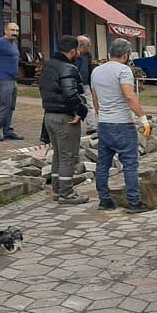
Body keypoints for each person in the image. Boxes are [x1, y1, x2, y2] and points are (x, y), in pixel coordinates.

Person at [90, 38, 153, 214]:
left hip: (104, 123)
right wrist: (143, 119)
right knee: (130, 164)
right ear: (126, 55)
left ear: (110, 53)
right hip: (122, 125)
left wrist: (100, 116)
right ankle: (134, 202)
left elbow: (95, 99)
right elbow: (130, 96)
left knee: (103, 164)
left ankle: (104, 200)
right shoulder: (124, 70)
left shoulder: (96, 71)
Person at [38, 35, 89, 205]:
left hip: (49, 116)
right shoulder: (68, 68)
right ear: (73, 50)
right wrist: (81, 110)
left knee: (58, 155)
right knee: (68, 156)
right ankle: (67, 194)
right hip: (65, 117)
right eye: (77, 51)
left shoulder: (48, 65)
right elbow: (70, 94)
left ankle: (57, 190)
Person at [0, 22, 23, 142]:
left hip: (12, 80)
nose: (15, 33)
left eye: (17, 31)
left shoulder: (12, 44)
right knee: (5, 106)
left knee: (11, 107)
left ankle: (8, 131)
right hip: (3, 80)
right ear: (5, 30)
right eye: (12, 30)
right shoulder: (0, 42)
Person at [75, 36, 98, 135]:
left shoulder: (88, 55)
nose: (89, 48)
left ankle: (91, 127)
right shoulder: (74, 54)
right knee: (74, 104)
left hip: (85, 83)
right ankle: (73, 126)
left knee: (89, 104)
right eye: (88, 46)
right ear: (83, 46)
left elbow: (88, 67)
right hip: (74, 84)